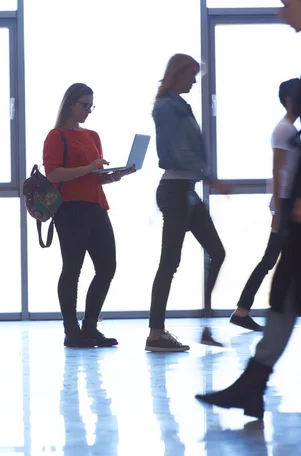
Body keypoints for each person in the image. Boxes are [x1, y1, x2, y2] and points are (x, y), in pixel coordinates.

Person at [196, 0, 301, 420]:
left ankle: (251, 385)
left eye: (287, 5)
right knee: (284, 290)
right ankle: (251, 385)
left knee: (285, 287)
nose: (282, 14)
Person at [145, 54, 230, 353]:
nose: (194, 80)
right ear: (178, 73)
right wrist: (211, 177)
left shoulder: (179, 105)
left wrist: (205, 177)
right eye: (191, 74)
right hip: (175, 190)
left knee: (217, 253)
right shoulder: (168, 107)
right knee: (169, 262)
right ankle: (156, 333)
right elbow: (181, 151)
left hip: (187, 191)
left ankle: (204, 325)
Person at [43, 83, 135, 348]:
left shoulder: (93, 136)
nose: (88, 111)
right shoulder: (56, 136)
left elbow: (93, 178)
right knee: (72, 269)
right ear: (71, 104)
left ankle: (90, 326)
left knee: (107, 267)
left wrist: (114, 176)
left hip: (96, 206)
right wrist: (87, 168)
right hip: (70, 209)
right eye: (85, 105)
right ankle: (71, 331)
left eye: (91, 106)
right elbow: (53, 175)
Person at [230, 79, 301, 332]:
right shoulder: (284, 130)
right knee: (269, 260)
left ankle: (242, 310)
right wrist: (280, 209)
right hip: (286, 206)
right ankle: (243, 310)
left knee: (270, 260)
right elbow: (278, 170)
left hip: (287, 204)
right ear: (291, 100)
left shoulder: (289, 130)